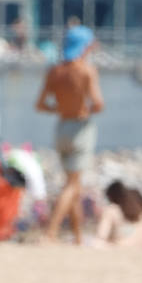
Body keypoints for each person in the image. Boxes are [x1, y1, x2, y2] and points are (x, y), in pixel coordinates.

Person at [35, 24, 105, 243]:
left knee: (73, 183)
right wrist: (84, 109)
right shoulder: (86, 70)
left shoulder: (55, 71)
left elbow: (41, 104)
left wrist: (61, 108)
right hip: (80, 128)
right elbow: (98, 104)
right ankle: (51, 231)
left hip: (61, 126)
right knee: (72, 185)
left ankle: (77, 236)